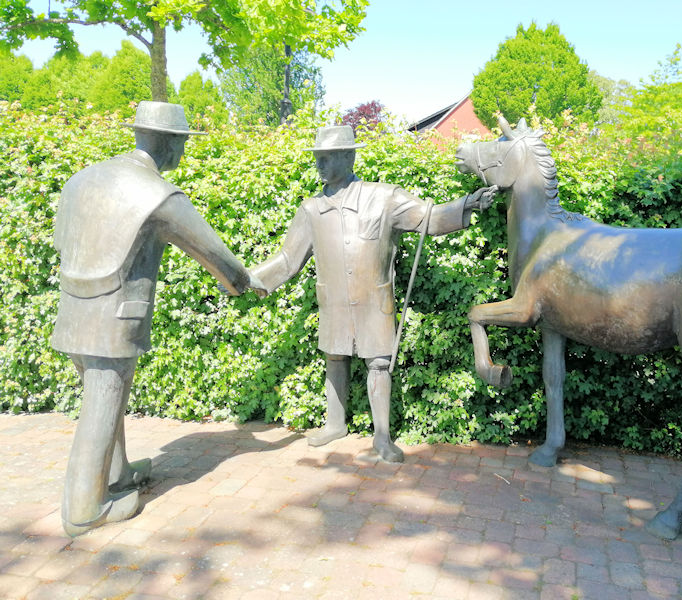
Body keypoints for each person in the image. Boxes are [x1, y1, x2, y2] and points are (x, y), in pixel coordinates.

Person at [51, 101, 266, 536]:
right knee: (101, 403)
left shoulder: (82, 179)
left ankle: (117, 475)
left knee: (105, 398)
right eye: (182, 143)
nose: (183, 152)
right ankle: (84, 509)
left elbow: (61, 241)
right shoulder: (158, 195)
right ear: (169, 143)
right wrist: (244, 281)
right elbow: (213, 252)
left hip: (73, 310)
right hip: (116, 316)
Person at [251, 125, 495, 462]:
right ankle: (334, 423)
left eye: (327, 158)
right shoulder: (311, 209)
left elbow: (428, 217)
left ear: (348, 157)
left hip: (373, 299)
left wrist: (467, 204)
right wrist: (248, 279)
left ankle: (382, 437)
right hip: (334, 299)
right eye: (318, 158)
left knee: (379, 363)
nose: (320, 165)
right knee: (335, 356)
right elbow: (288, 260)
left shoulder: (384, 197)